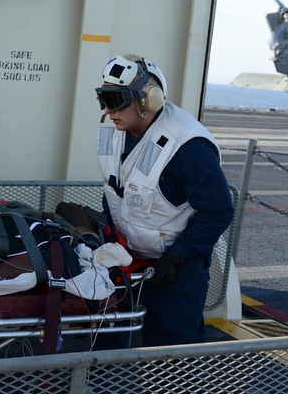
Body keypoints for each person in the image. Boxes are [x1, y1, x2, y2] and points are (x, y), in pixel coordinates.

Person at [95, 54, 233, 346]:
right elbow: (114, 184)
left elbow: (219, 210)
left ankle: (178, 393)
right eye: (103, 99)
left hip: (176, 270)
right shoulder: (114, 128)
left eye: (115, 99)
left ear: (148, 99)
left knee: (171, 351)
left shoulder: (187, 146)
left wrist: (176, 257)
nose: (107, 110)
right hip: (129, 259)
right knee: (113, 337)